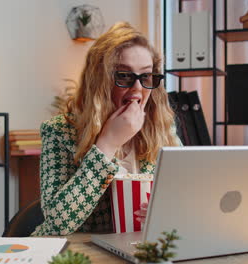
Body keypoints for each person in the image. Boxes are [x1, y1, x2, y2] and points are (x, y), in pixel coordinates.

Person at [31, 22, 180, 236]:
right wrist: (107, 144)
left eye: (145, 76)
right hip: (76, 252)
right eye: (124, 75)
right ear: (99, 80)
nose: (137, 88)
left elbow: (184, 197)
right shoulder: (60, 131)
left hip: (139, 250)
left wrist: (169, 212)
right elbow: (58, 223)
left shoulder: (163, 129)